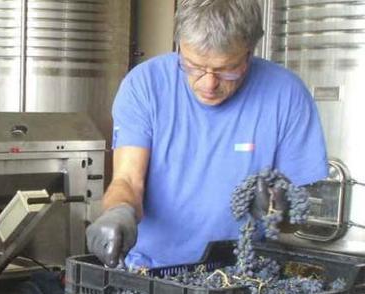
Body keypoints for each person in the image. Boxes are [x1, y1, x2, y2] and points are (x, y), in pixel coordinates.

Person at [86, 0, 328, 269]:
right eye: (194, 66)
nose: (209, 83)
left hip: (242, 275)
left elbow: (296, 214)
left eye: (227, 69)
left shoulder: (287, 95)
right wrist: (119, 212)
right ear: (179, 47)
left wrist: (280, 212)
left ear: (249, 53)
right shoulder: (145, 85)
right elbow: (128, 180)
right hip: (149, 270)